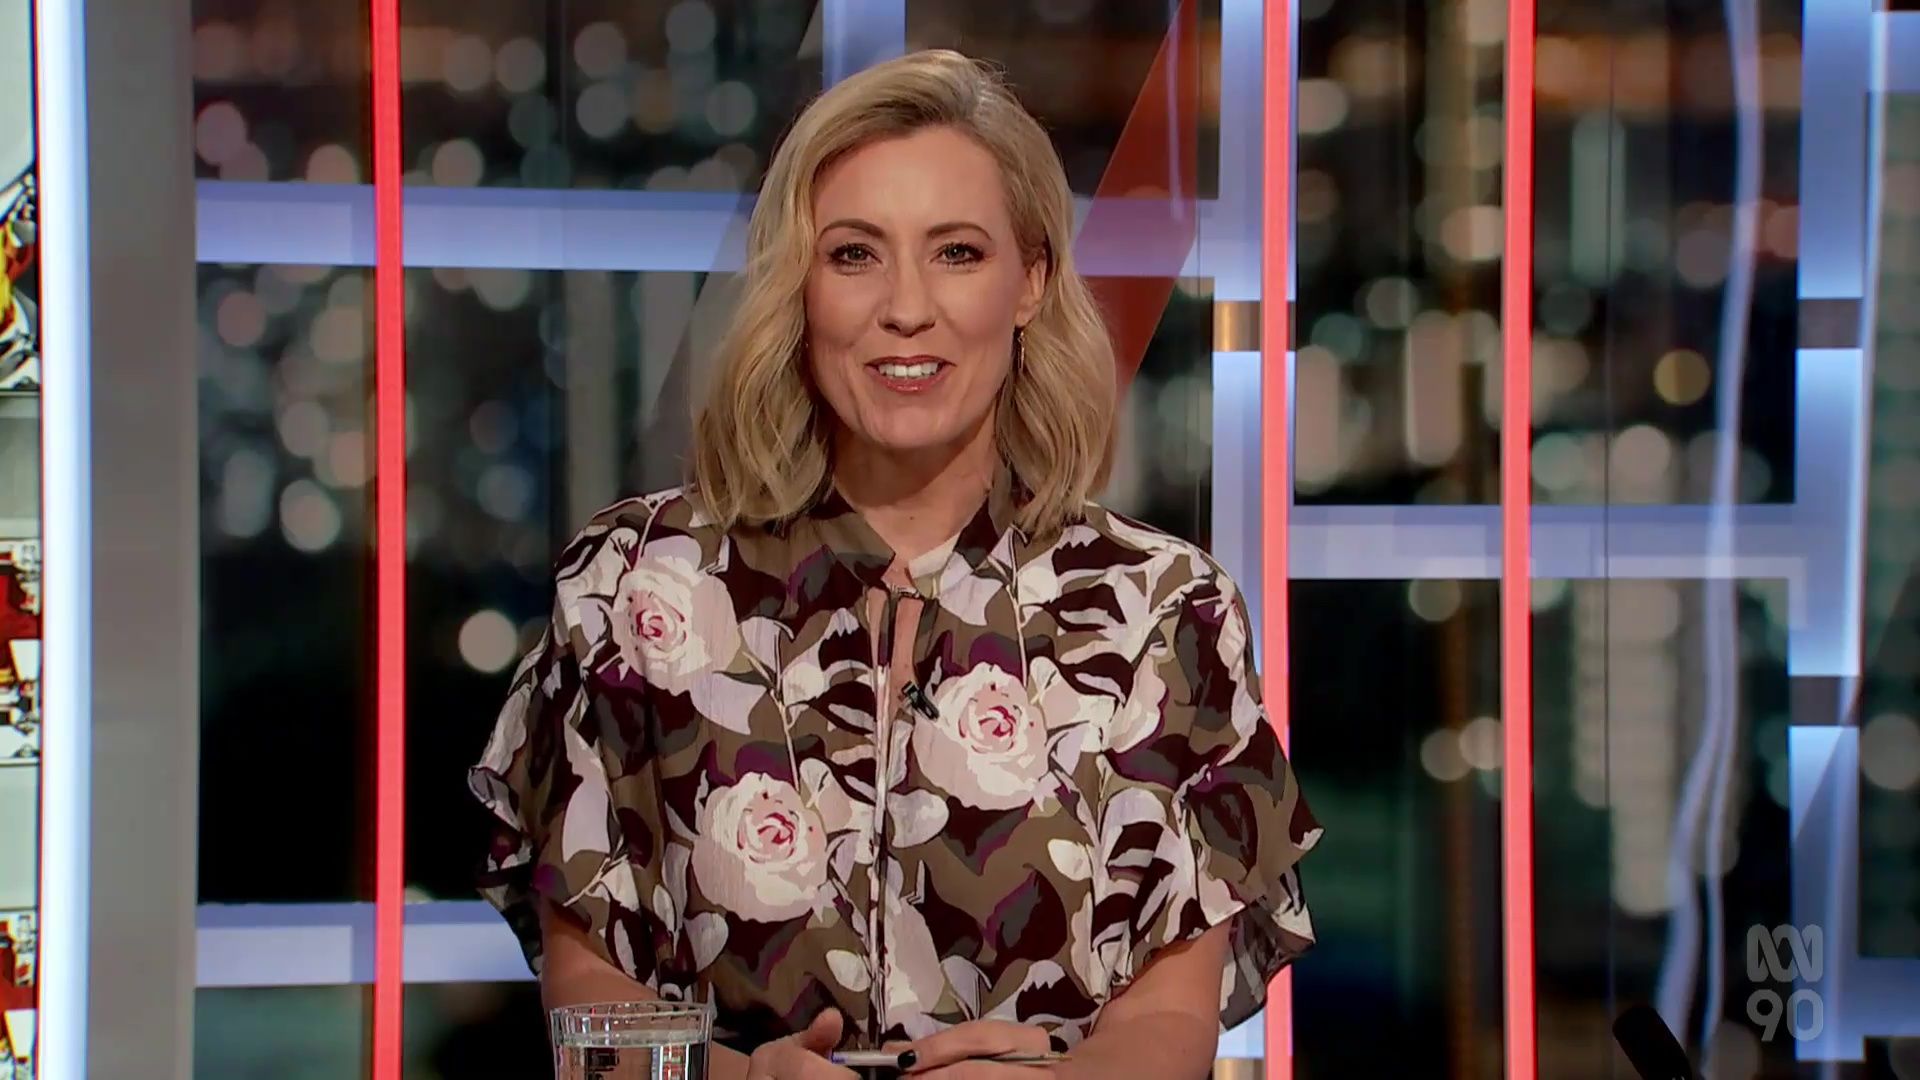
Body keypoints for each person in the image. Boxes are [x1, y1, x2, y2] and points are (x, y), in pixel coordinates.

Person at [470, 48, 1322, 1080]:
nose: (906, 307)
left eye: (957, 252)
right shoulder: (635, 586)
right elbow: (589, 1017)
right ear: (799, 286)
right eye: (854, 255)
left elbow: (1170, 1025)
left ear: (1031, 280)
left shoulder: (1164, 614)